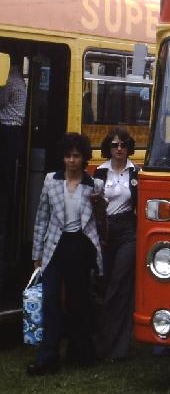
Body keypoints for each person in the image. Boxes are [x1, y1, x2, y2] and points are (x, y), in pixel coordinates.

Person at [27, 133, 104, 375]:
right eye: (68, 156)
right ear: (63, 158)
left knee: (78, 301)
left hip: (79, 246)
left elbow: (101, 221)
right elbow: (41, 219)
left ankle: (80, 352)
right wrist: (36, 254)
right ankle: (47, 358)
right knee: (50, 300)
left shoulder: (94, 185)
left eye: (76, 156)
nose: (72, 160)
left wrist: (99, 203)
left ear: (83, 159)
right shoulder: (51, 181)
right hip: (54, 247)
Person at [93, 128, 139, 361]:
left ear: (129, 147)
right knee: (105, 284)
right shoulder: (100, 172)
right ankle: (104, 344)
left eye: (123, 145)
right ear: (108, 148)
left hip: (128, 232)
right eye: (114, 145)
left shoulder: (136, 172)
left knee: (118, 287)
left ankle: (116, 348)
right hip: (105, 231)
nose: (119, 149)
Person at [0, 53, 27, 291]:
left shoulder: (11, 80)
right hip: (14, 133)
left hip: (8, 132)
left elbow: (1, 103)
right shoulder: (20, 79)